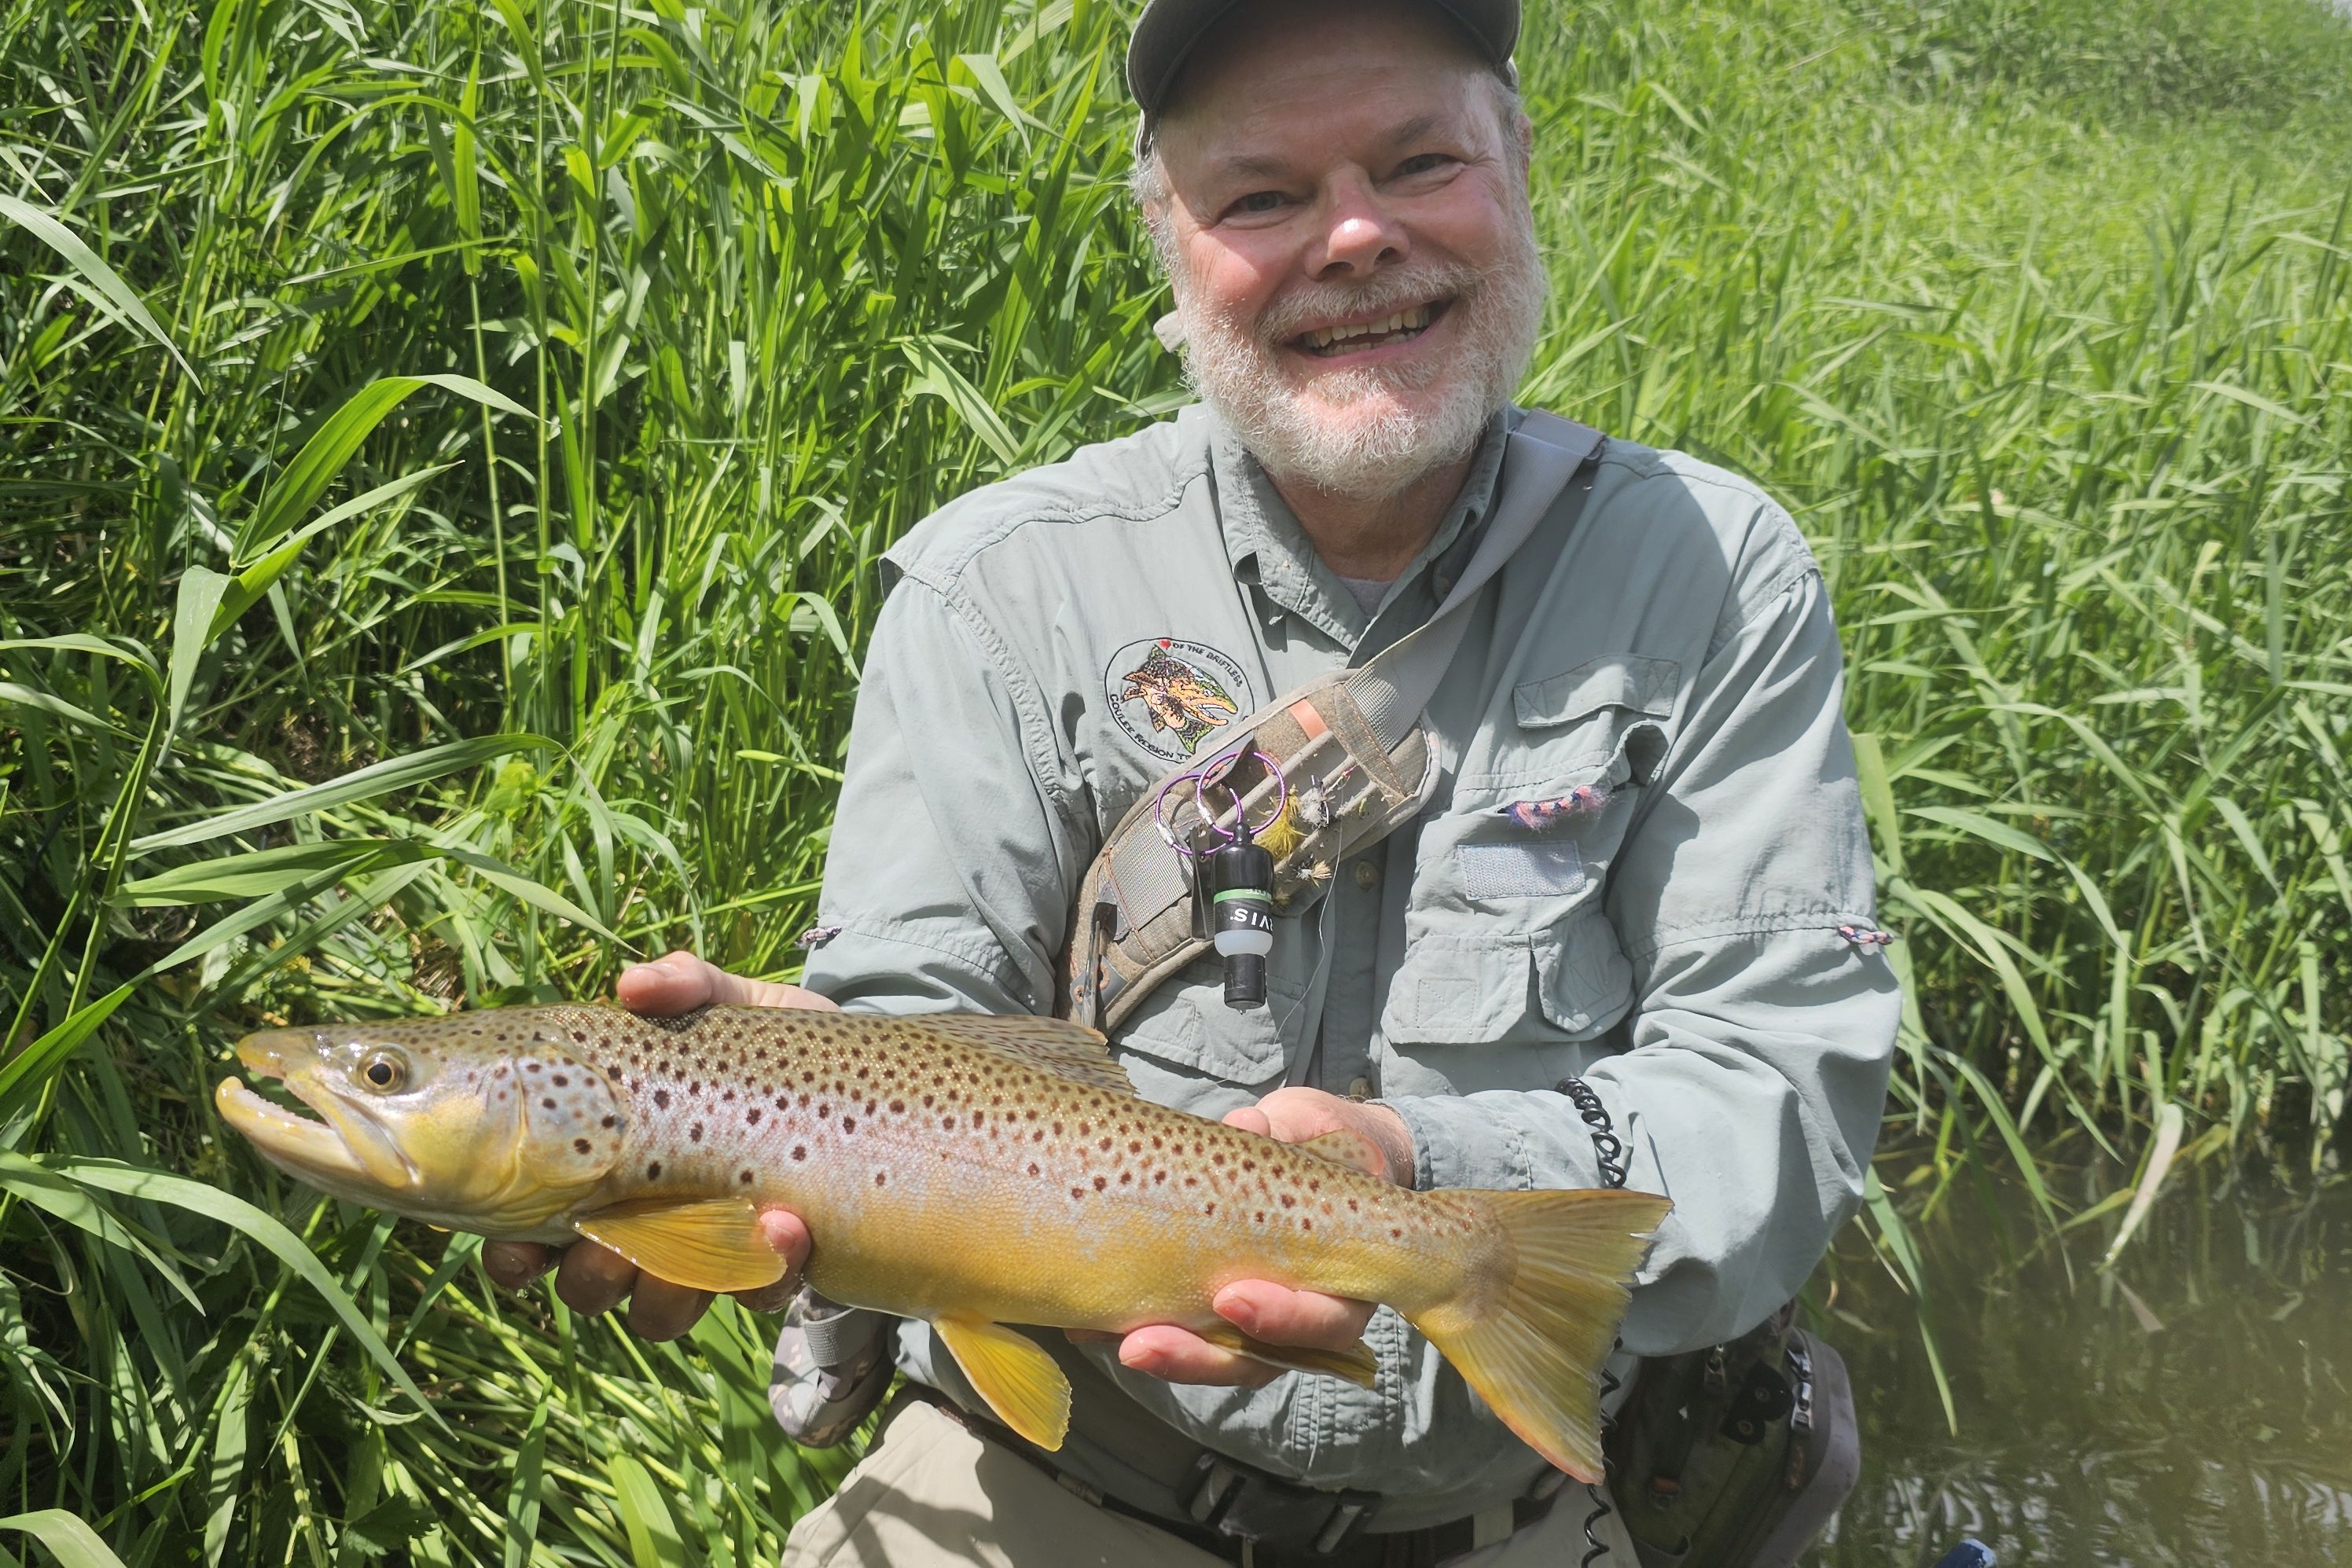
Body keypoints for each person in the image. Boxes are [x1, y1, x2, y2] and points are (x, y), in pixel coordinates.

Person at [485, 0, 1902, 1561]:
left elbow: (1774, 1095)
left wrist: (1422, 1174)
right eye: (1261, 195)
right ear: (1171, 241)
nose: (1353, 236)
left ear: (1515, 167)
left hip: (1503, 1512)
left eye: (1416, 161)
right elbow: (913, 1025)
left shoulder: (1706, 571)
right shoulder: (996, 588)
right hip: (1045, 1484)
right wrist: (782, 1096)